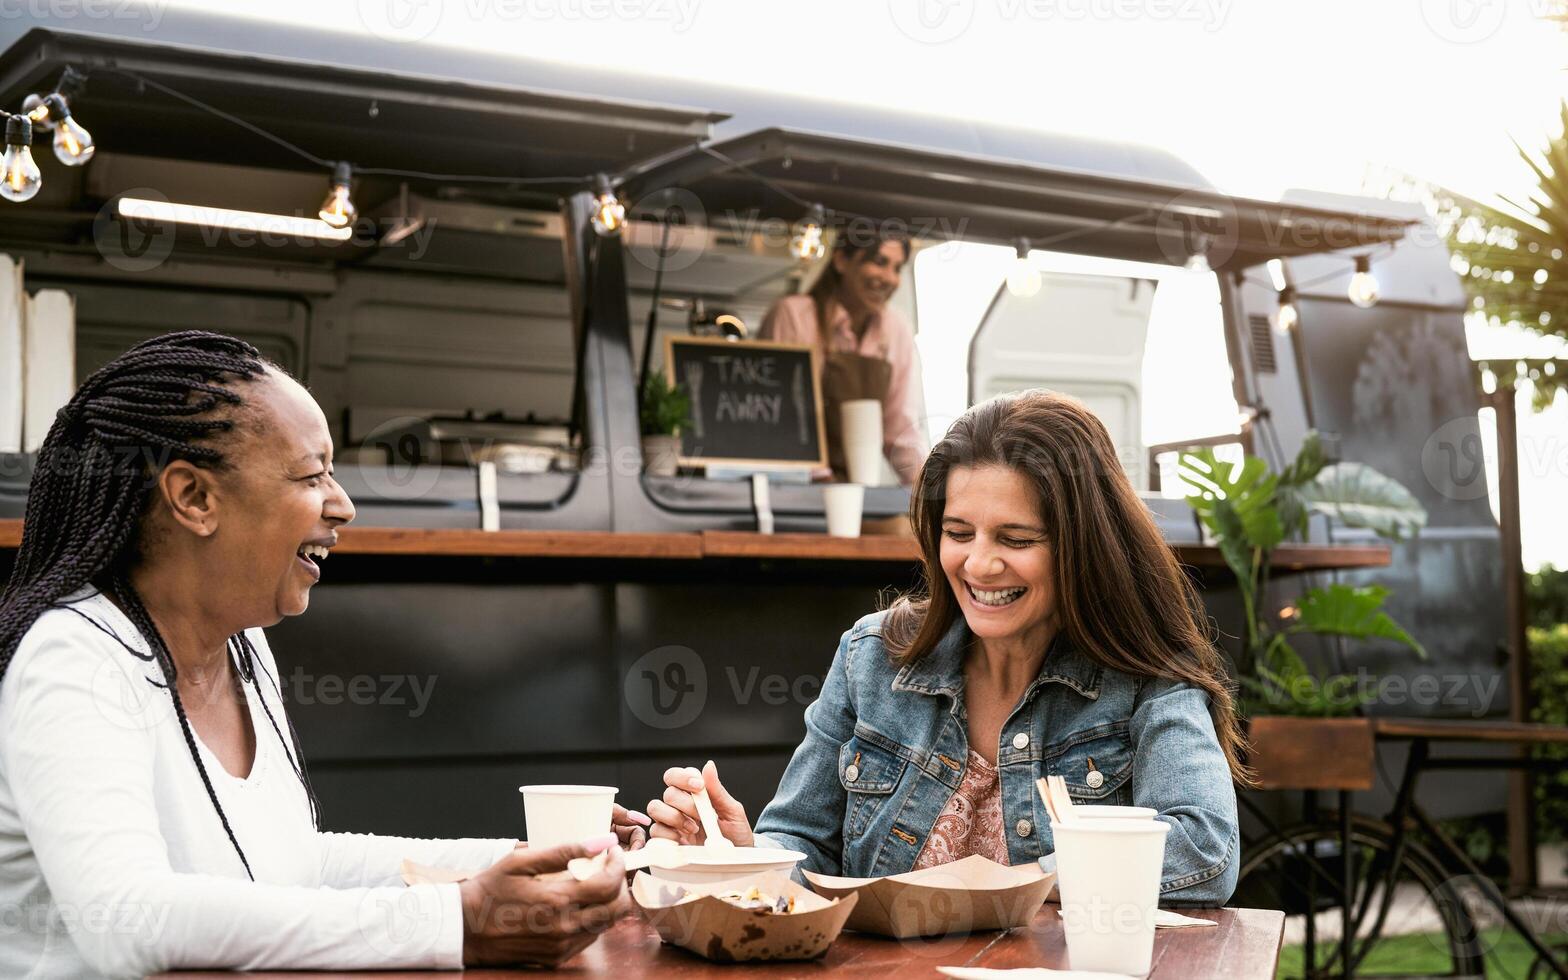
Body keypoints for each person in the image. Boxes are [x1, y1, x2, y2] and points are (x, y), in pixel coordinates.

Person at [0, 332, 647, 978]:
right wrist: (460, 923)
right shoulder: (75, 659)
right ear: (194, 498)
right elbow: (131, 921)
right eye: (312, 476)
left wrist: (528, 859)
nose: (343, 504)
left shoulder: (242, 647)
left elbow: (294, 864)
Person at [647, 390, 1249, 906]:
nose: (980, 564)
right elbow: (803, 843)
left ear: (1083, 546)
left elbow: (1205, 852)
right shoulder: (871, 657)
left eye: (1016, 538)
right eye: (958, 533)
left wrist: (1022, 883)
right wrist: (737, 854)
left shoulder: (1148, 679)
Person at [759, 231, 928, 485]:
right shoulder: (794, 316)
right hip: (794, 487)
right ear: (841, 261)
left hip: (853, 490)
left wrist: (931, 492)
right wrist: (822, 480)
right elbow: (785, 418)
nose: (890, 278)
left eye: (897, 268)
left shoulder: (896, 329)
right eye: (879, 262)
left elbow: (901, 432)